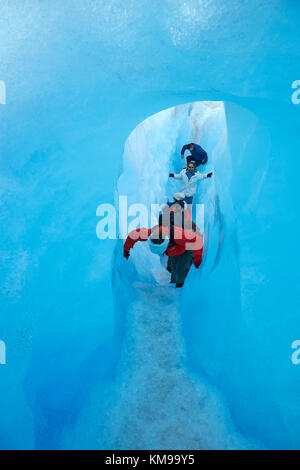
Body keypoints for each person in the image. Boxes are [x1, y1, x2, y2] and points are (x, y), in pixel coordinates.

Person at [123, 213, 203, 288]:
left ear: (166, 242)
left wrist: (198, 256)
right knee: (174, 270)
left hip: (184, 249)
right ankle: (175, 279)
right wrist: (126, 250)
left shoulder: (178, 236)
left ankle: (180, 287)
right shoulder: (152, 233)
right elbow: (133, 235)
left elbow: (197, 239)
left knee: (179, 272)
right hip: (173, 250)